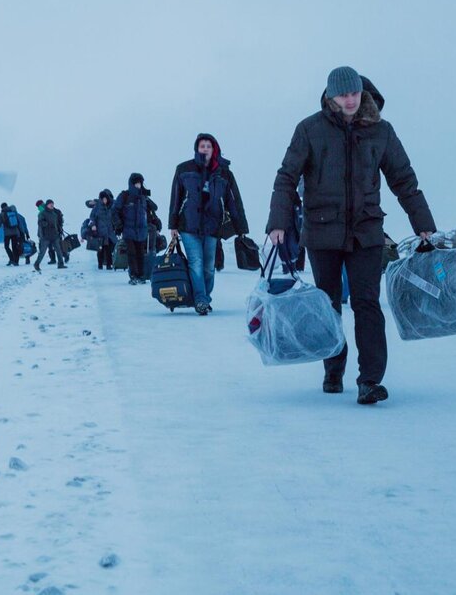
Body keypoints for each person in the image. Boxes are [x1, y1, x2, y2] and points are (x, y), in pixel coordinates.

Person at [267, 67, 435, 405]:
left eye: (354, 93)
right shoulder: (309, 129)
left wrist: (423, 223)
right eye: (343, 94)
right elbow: (287, 177)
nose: (350, 99)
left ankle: (370, 380)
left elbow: (403, 179)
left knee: (366, 304)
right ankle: (333, 369)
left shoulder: (381, 131)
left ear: (362, 92)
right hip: (322, 231)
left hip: (366, 231)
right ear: (331, 96)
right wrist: (278, 222)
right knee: (328, 305)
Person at [168, 134, 248, 315]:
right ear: (197, 148)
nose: (205, 149)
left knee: (209, 266)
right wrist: (173, 224)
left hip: (212, 226)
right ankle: (201, 300)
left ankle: (204, 297)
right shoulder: (183, 169)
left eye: (208, 146)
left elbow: (234, 201)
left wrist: (241, 227)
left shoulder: (224, 172)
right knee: (195, 262)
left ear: (214, 149)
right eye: (202, 146)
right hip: (188, 225)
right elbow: (175, 198)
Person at [114, 176, 160, 284]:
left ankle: (140, 276)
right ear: (131, 184)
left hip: (141, 231)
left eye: (140, 183)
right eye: (136, 183)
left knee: (140, 254)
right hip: (128, 230)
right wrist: (118, 225)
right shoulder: (124, 196)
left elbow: (153, 209)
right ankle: (133, 276)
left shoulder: (143, 197)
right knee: (131, 253)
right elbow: (115, 210)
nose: (138, 185)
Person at [34, 199, 67, 271]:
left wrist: (59, 230)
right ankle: (36, 264)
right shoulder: (42, 213)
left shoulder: (54, 214)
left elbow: (57, 224)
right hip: (46, 236)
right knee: (42, 251)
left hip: (55, 235)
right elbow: (40, 223)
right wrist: (46, 224)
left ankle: (61, 264)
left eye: (53, 204)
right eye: (50, 204)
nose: (52, 205)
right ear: (47, 205)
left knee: (58, 250)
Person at [89, 189, 118, 271]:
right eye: (103, 199)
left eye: (106, 199)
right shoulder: (96, 208)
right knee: (100, 250)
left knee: (109, 249)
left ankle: (109, 265)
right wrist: (93, 225)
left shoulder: (110, 208)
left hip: (109, 232)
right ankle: (100, 265)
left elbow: (114, 218)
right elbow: (92, 218)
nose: (105, 200)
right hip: (100, 232)